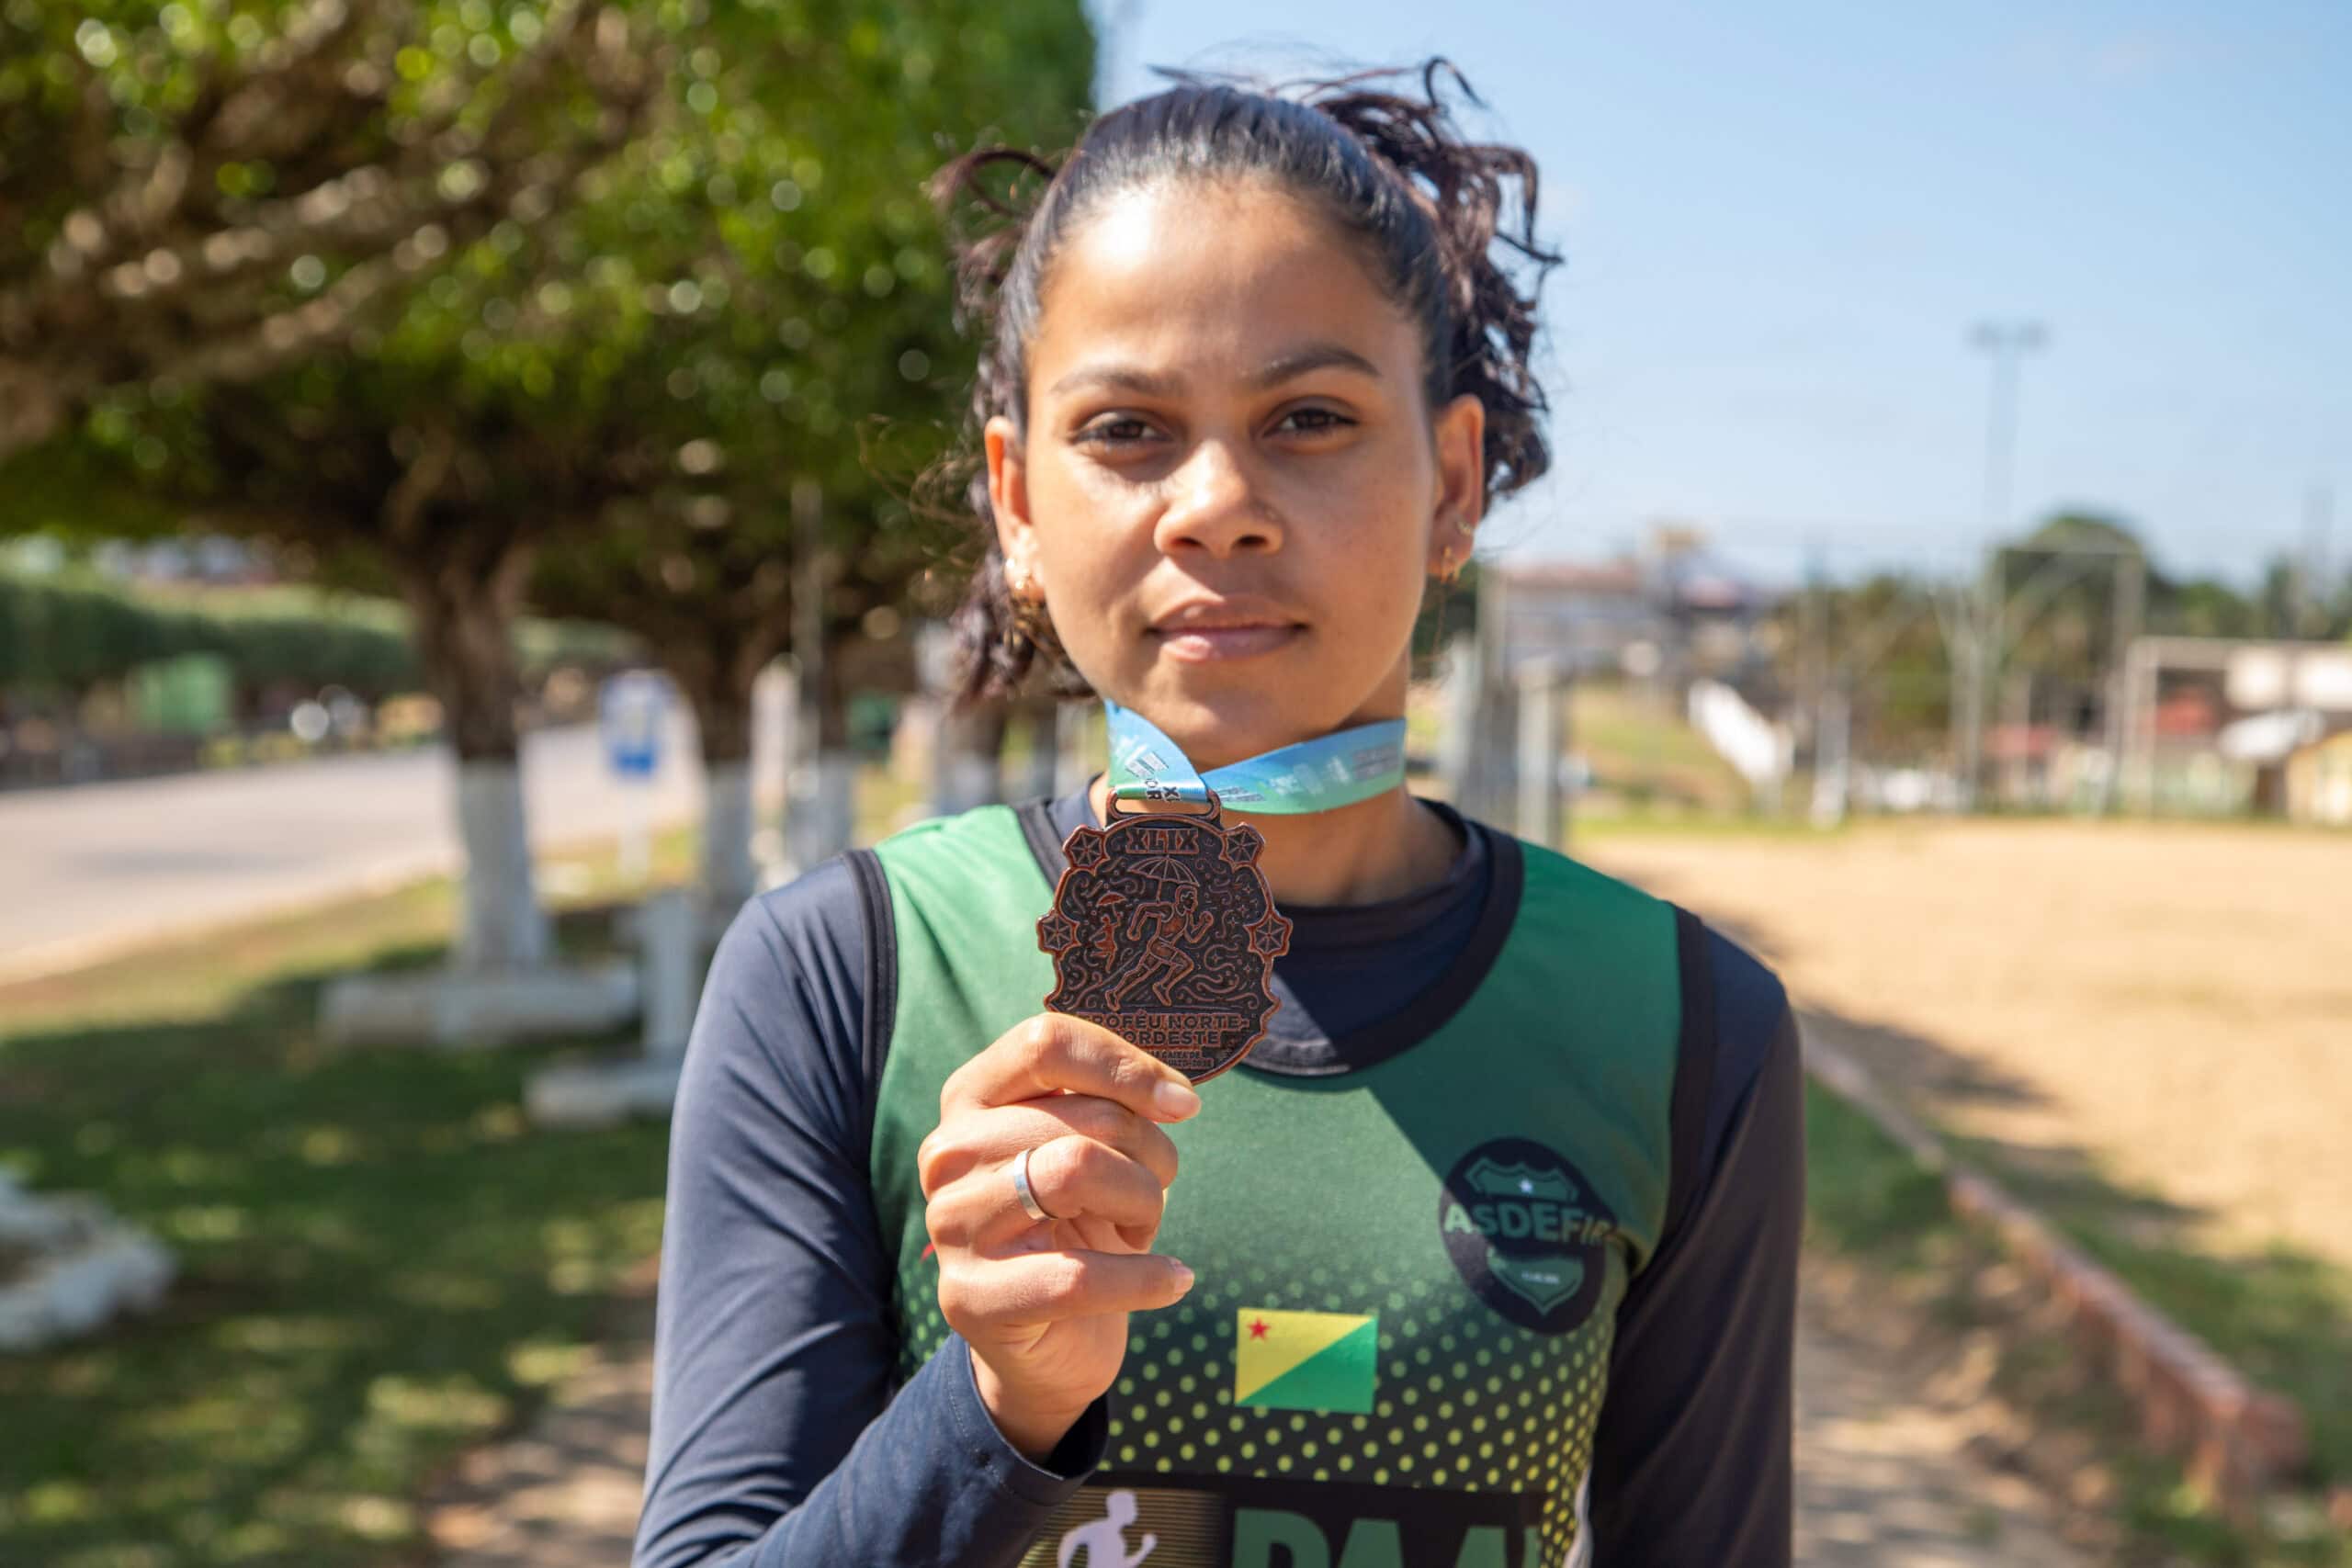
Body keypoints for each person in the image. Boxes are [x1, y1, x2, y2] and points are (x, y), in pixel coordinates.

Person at [634, 62, 1801, 1568]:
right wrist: (999, 1406)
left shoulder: (1682, 1027)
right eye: (1126, 428)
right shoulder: (846, 975)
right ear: (1017, 504)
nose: (1215, 505)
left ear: (1453, 483)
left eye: (1308, 417)